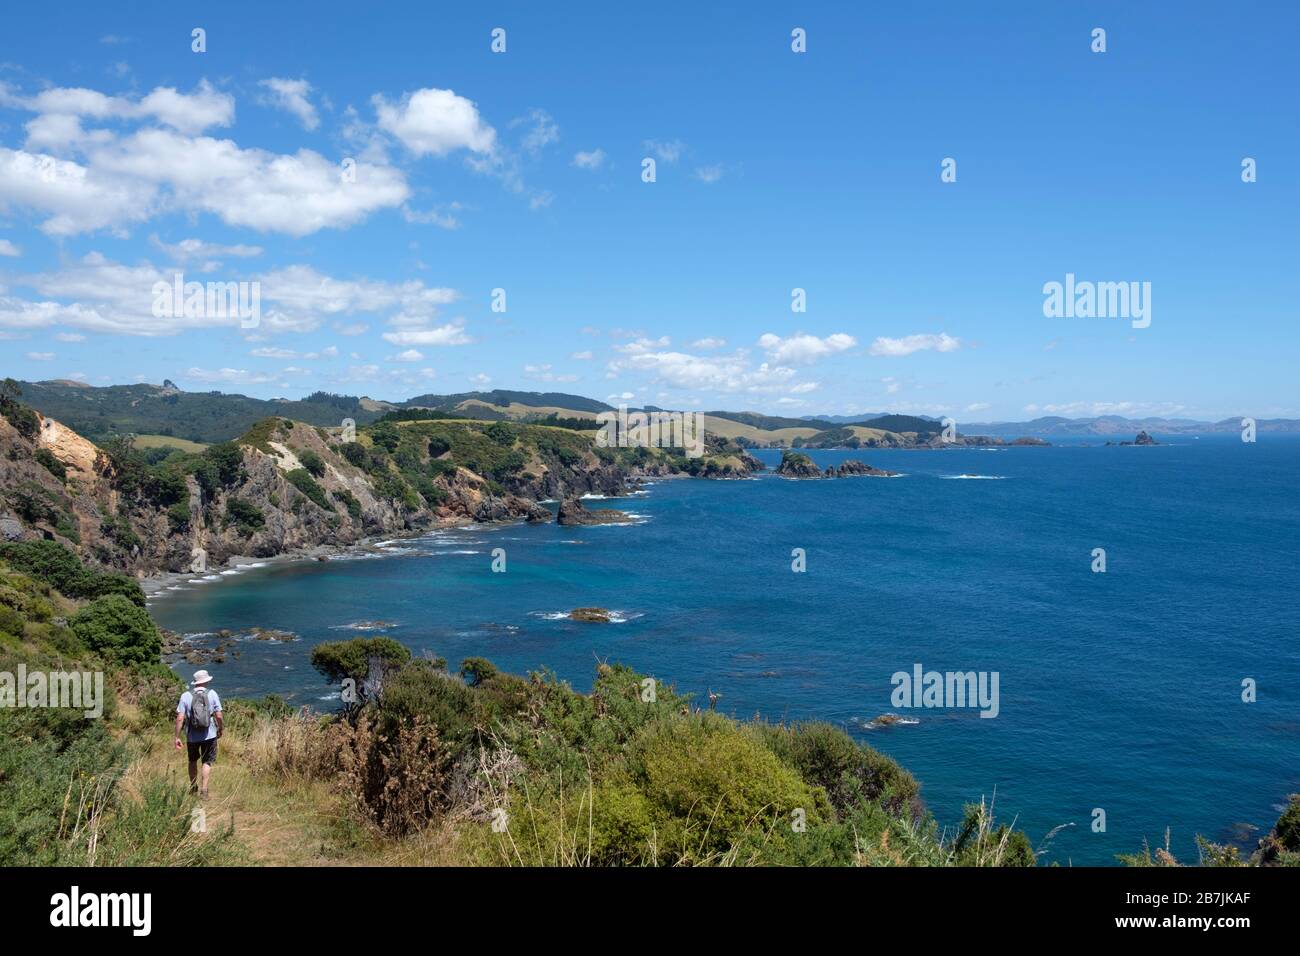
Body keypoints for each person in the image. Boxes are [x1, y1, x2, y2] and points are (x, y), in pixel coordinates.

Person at [175, 669, 223, 799]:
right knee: (207, 761)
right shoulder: (212, 694)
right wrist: (220, 728)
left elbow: (180, 718)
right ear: (206, 681)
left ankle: (193, 787)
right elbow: (218, 715)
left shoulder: (185, 695)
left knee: (192, 761)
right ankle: (204, 791)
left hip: (192, 736)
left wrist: (177, 737)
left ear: (195, 682)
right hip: (210, 734)